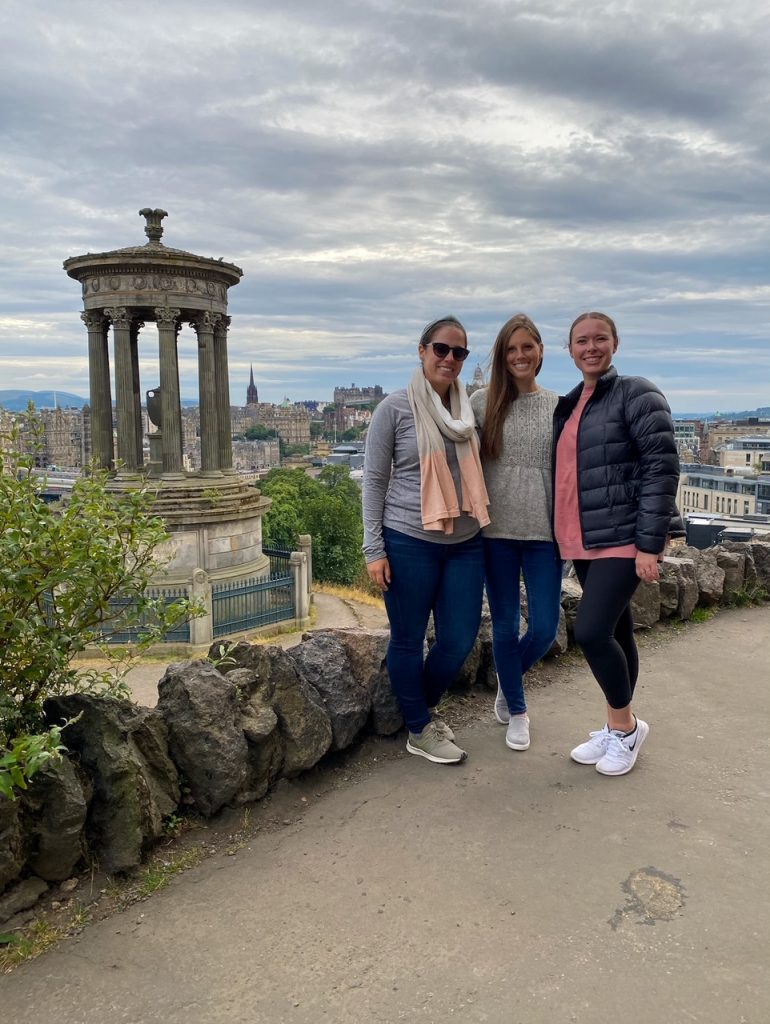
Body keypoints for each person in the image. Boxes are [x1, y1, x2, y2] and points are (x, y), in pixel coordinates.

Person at [553, 311, 681, 776]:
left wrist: (651, 542)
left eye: (600, 339)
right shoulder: (570, 404)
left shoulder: (637, 392)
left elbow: (661, 466)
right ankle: (615, 726)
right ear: (569, 350)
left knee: (589, 632)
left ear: (615, 344)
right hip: (584, 539)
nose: (591, 347)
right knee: (617, 630)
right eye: (582, 341)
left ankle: (626, 729)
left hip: (623, 539)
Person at [363, 316, 490, 765]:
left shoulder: (470, 412)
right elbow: (375, 481)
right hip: (408, 539)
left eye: (460, 353)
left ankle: (416, 707)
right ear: (422, 351)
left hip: (466, 540)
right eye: (442, 349)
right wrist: (373, 548)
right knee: (408, 639)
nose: (450, 359)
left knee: (458, 639)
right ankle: (419, 726)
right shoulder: (393, 409)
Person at [470, 314, 562, 752]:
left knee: (545, 627)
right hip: (496, 532)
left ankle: (508, 685)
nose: (520, 356)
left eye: (528, 347)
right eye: (512, 349)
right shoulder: (479, 402)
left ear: (541, 351)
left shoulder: (560, 405)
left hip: (546, 532)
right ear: (501, 356)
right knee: (505, 626)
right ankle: (519, 712)